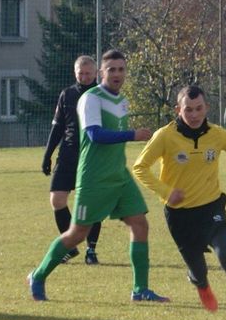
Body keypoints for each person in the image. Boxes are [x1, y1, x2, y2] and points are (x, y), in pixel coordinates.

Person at [27, 49, 169, 303]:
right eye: (111, 69)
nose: (117, 74)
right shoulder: (91, 98)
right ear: (102, 73)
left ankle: (140, 290)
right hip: (93, 178)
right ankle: (38, 275)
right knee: (77, 234)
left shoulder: (122, 100)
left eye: (121, 69)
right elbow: (94, 134)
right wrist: (131, 135)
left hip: (119, 176)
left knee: (140, 224)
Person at [133, 85, 226, 320]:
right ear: (178, 109)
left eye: (199, 109)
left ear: (207, 108)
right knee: (198, 270)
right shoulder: (165, 136)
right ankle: (201, 283)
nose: (194, 115)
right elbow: (140, 167)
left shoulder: (216, 134)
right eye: (188, 110)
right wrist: (165, 191)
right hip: (180, 215)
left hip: (211, 209)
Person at [42, 55, 102, 264]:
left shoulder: (101, 95)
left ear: (96, 73)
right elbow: (57, 127)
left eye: (88, 73)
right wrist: (47, 155)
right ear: (75, 73)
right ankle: (70, 246)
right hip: (68, 154)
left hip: (93, 155)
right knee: (57, 200)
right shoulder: (67, 94)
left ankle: (91, 250)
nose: (84, 77)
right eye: (81, 73)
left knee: (91, 205)